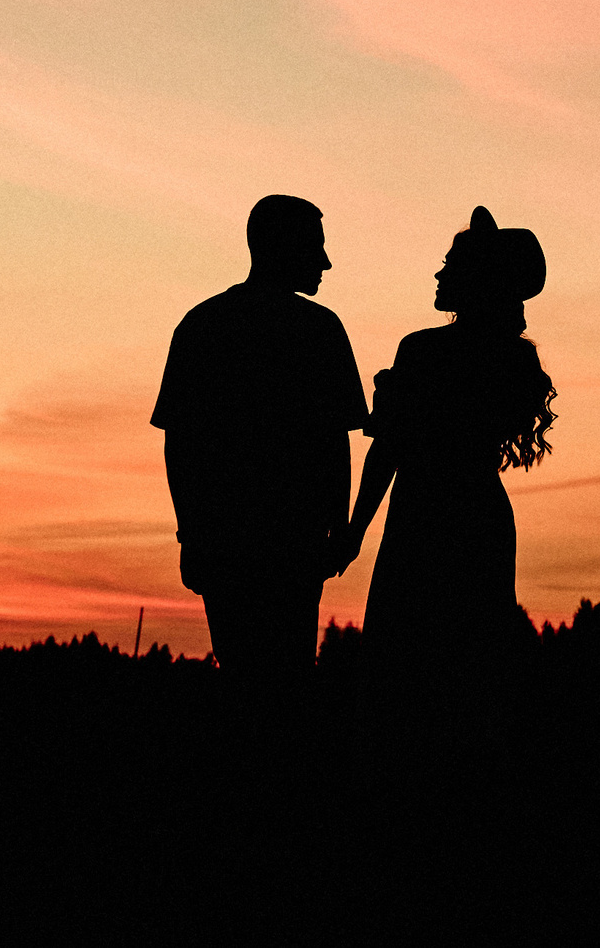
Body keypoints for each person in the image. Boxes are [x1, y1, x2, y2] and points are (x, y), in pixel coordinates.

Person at [338, 206, 557, 754]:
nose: (437, 276)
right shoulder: (507, 358)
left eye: (447, 266)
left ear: (474, 280)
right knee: (469, 668)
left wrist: (354, 528)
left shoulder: (424, 350)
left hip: (422, 521)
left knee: (405, 665)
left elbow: (388, 448)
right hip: (480, 517)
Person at [151, 194, 367, 692]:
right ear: (282, 247)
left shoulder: (201, 324)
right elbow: (336, 443)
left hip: (227, 539)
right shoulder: (321, 330)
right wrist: (338, 527)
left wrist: (191, 533)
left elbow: (180, 445)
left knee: (244, 680)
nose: (326, 261)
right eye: (317, 246)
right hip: (292, 539)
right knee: (287, 682)